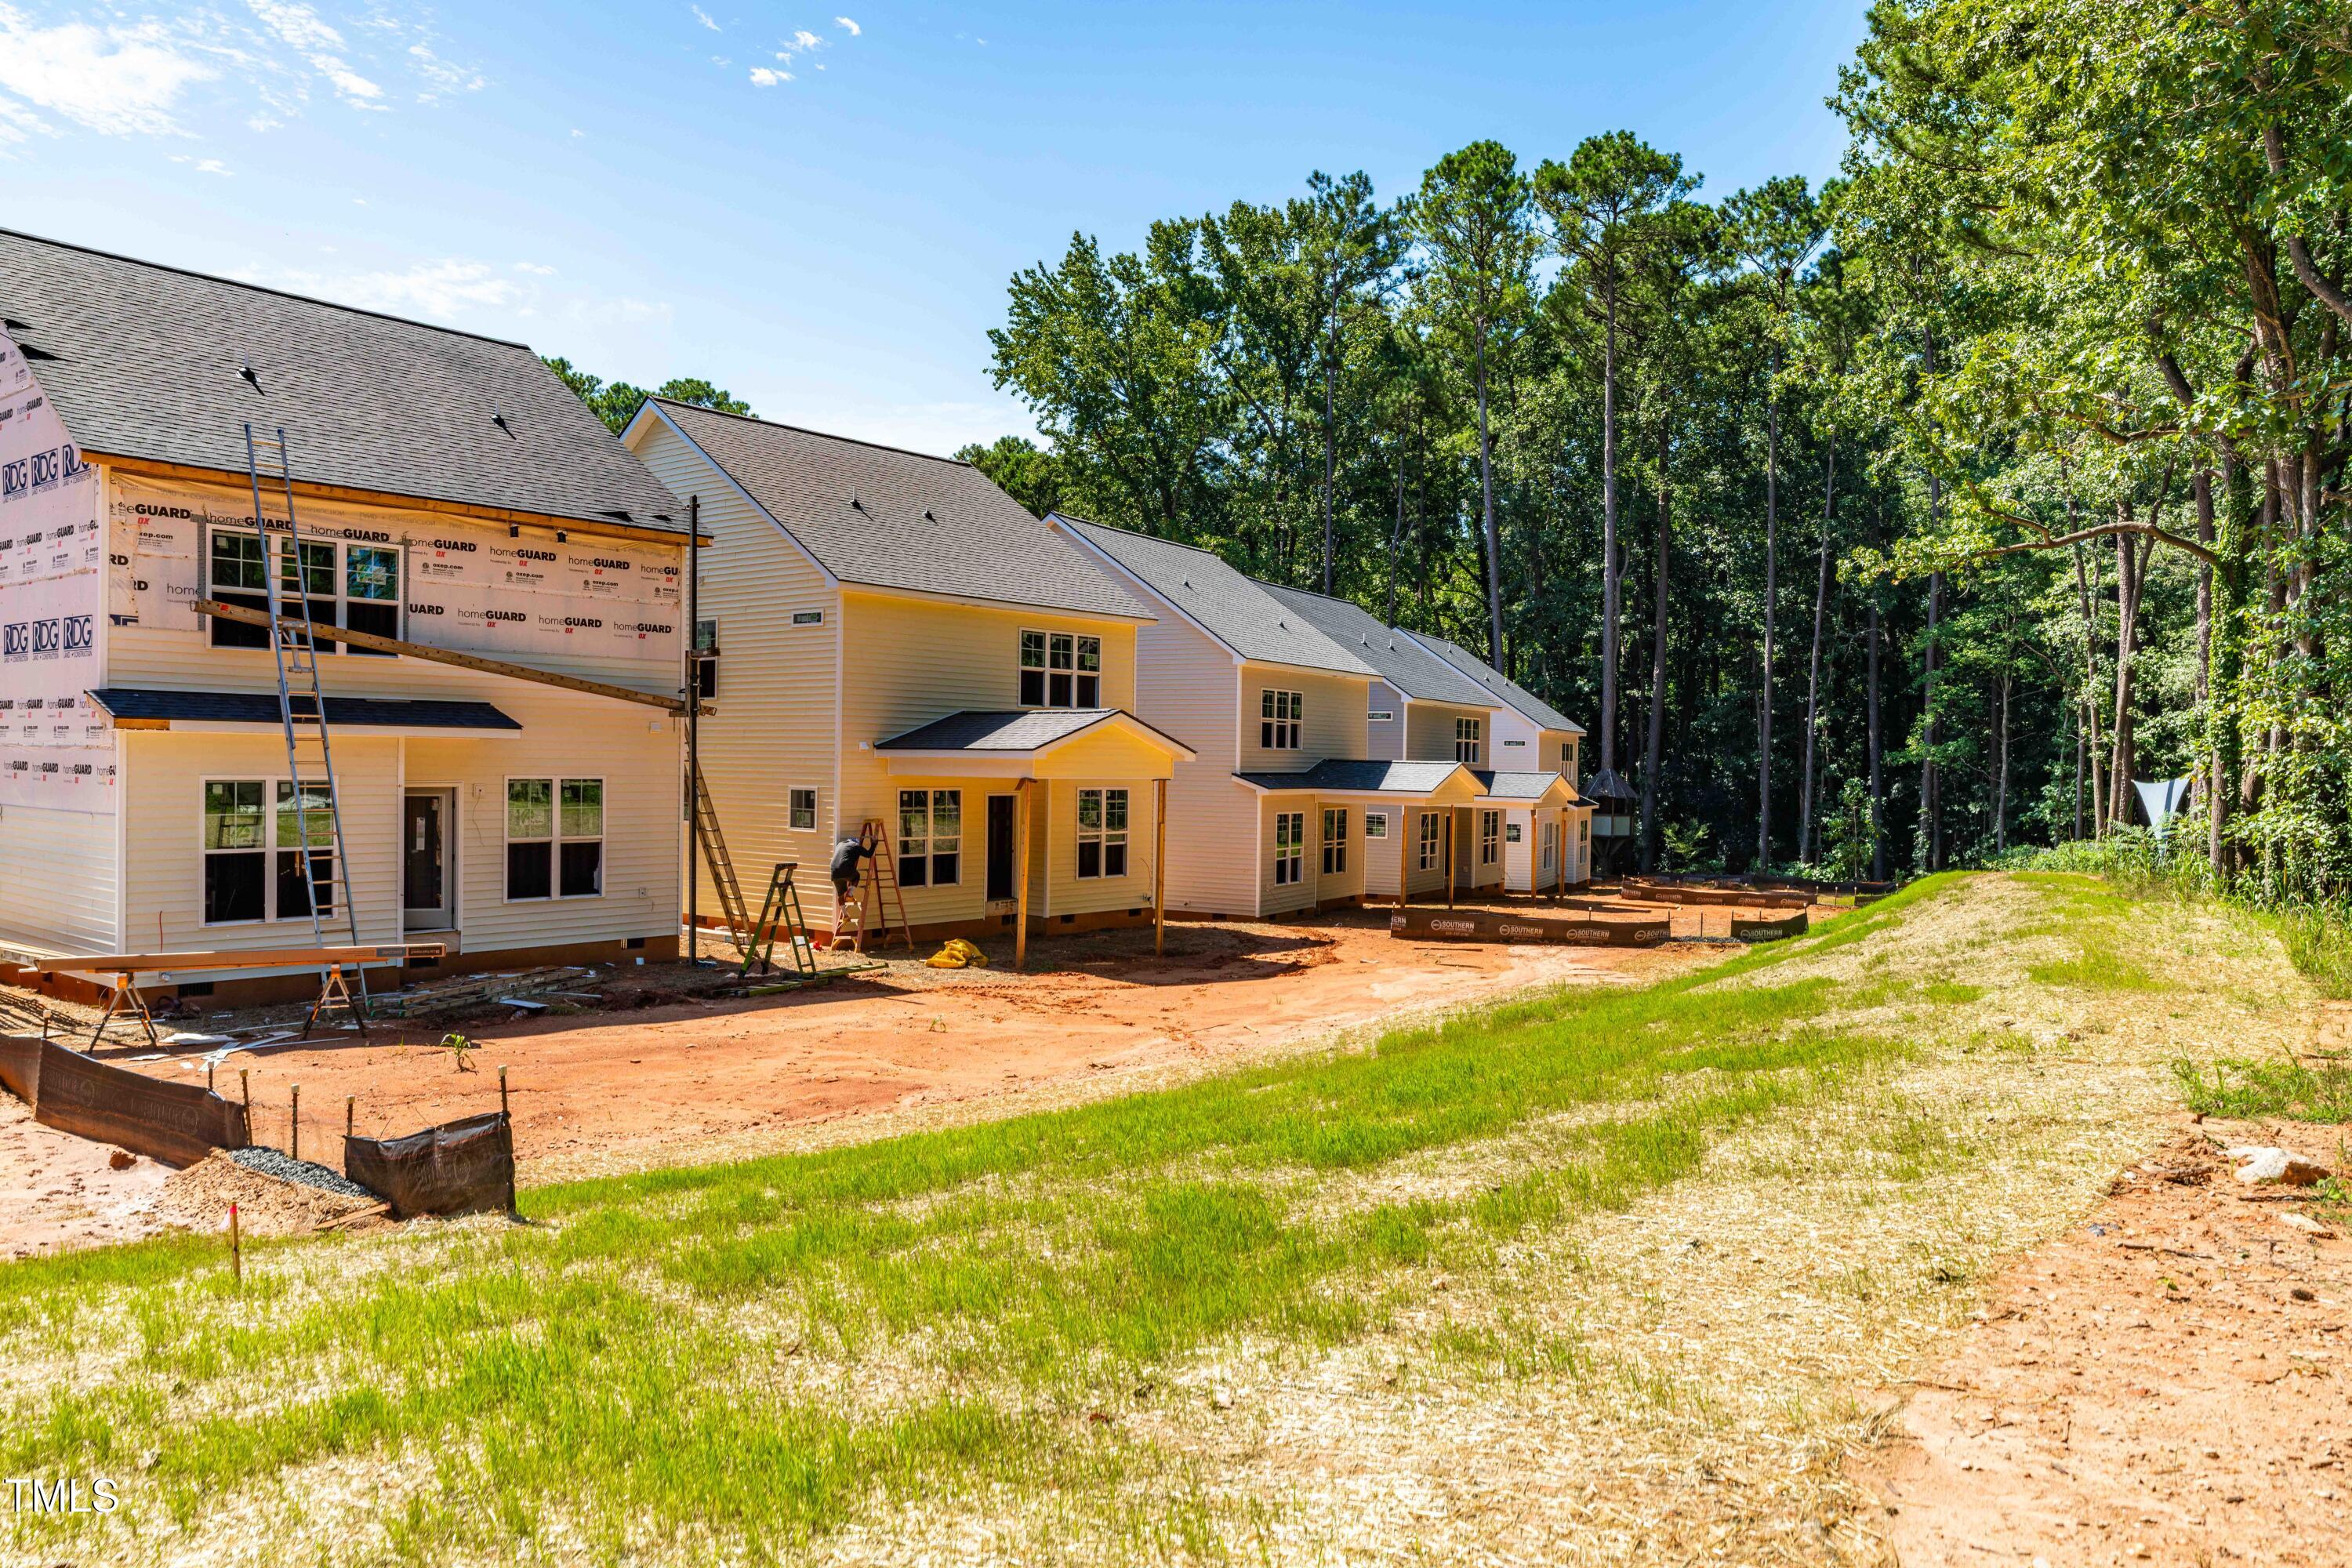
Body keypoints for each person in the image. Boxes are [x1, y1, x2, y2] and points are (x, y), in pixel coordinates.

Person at [829, 832, 876, 927]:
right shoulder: (856, 846)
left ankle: (845, 916)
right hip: (845, 868)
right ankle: (850, 895)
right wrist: (874, 844)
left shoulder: (840, 844)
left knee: (840, 895)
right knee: (857, 876)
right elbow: (869, 854)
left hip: (834, 872)